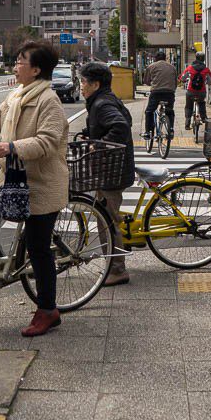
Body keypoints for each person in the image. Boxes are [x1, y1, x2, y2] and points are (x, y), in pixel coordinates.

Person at [0, 40, 69, 337]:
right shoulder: (17, 95)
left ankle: (48, 310)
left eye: (21, 61)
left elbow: (47, 142)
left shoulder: (49, 102)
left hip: (41, 183)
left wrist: (11, 146)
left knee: (37, 249)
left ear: (36, 69)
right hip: (12, 178)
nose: (15, 65)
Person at [79, 61, 135, 286]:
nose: (80, 85)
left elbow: (121, 126)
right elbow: (125, 120)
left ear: (95, 84)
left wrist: (100, 144)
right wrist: (90, 133)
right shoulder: (106, 99)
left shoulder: (101, 103)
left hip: (112, 171)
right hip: (114, 169)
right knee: (107, 217)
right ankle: (114, 264)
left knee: (107, 221)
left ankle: (117, 269)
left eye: (83, 81)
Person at [143, 51, 178, 138]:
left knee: (149, 111)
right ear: (165, 58)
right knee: (169, 111)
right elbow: (175, 83)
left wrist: (153, 83)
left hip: (156, 93)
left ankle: (148, 132)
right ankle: (171, 130)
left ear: (155, 58)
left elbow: (146, 81)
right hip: (170, 93)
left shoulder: (151, 66)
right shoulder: (172, 67)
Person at [179, 52, 211, 130]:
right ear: (203, 59)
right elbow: (210, 81)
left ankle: (187, 124)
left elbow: (182, 78)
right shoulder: (206, 69)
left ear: (196, 58)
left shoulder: (190, 68)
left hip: (191, 91)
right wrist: (206, 82)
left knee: (188, 106)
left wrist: (184, 81)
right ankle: (203, 117)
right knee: (201, 103)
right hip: (201, 92)